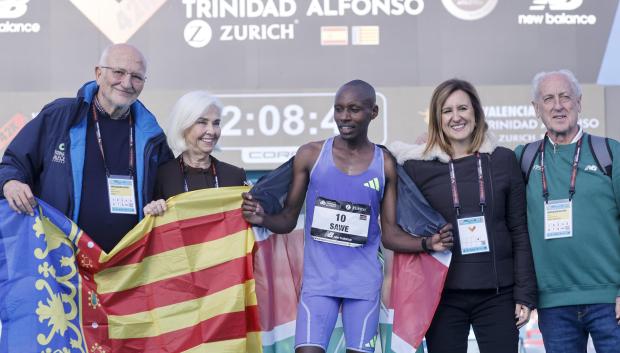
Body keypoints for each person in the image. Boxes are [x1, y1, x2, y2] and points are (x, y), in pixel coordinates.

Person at [241, 79, 453, 353]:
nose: (344, 116)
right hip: (318, 285)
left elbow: (390, 235)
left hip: (363, 287)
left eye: (353, 109)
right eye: (339, 109)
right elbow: (287, 219)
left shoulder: (384, 163)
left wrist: (428, 243)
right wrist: (263, 218)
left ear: (373, 112)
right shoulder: (310, 155)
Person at [389, 78, 537, 353]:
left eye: (463, 109)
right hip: (443, 296)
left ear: (476, 112)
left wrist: (525, 294)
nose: (456, 117)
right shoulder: (418, 167)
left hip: (498, 295)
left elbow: (519, 229)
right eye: (447, 111)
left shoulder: (503, 160)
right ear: (437, 118)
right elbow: (399, 224)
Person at [0, 44, 173, 252]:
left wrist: (159, 205)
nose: (127, 83)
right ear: (99, 74)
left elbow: (168, 194)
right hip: (61, 262)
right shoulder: (60, 116)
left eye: (136, 77)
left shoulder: (152, 135)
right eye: (118, 72)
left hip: (129, 268)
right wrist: (10, 182)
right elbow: (13, 164)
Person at [515, 70, 620, 353]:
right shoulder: (523, 158)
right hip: (553, 304)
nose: (558, 105)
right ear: (537, 109)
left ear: (579, 102)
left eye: (565, 97)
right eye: (548, 98)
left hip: (610, 301)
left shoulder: (609, 152)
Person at [143, 90, 247, 216]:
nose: (212, 131)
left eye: (216, 123)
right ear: (183, 126)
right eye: (202, 122)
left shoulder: (235, 176)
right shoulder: (161, 177)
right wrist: (152, 210)